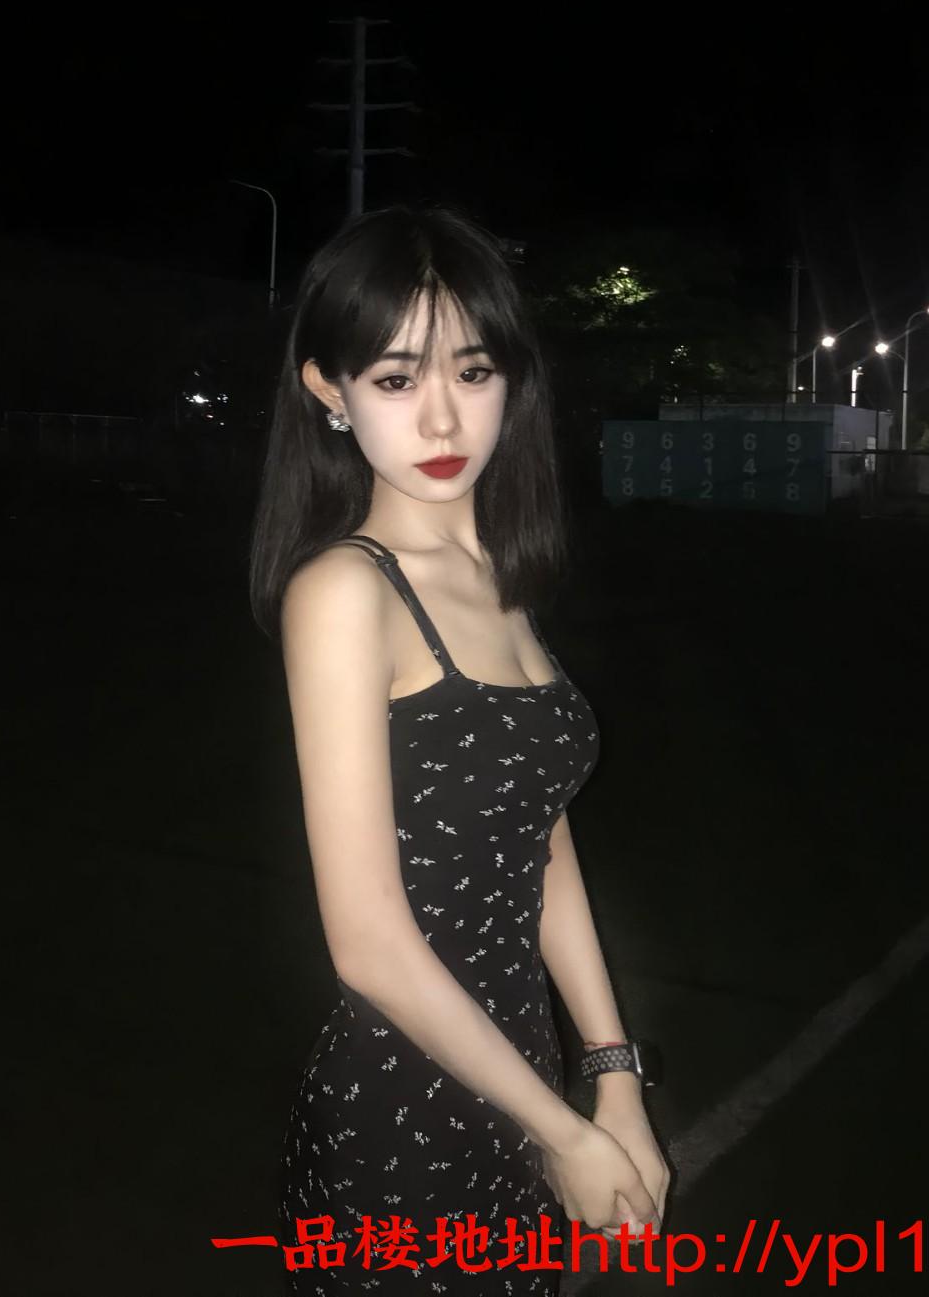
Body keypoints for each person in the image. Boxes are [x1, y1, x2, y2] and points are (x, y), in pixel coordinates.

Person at [249, 205, 669, 1291]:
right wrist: (563, 1131)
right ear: (329, 390)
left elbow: (540, 837)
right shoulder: (345, 591)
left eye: (472, 371)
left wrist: (612, 1073)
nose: (442, 415)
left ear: (511, 381)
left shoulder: (499, 574)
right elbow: (367, 943)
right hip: (402, 1106)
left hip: (519, 1071)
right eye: (395, 378)